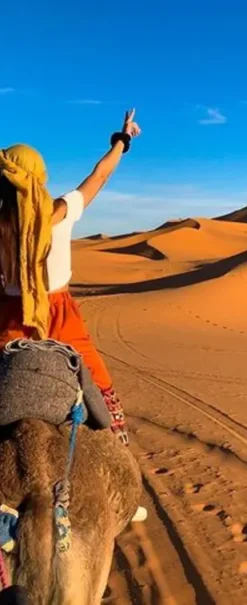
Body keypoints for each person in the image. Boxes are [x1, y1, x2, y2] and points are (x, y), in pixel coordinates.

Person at [0, 110, 142, 446]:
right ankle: (118, 443)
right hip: (60, 320)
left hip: (7, 318)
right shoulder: (61, 213)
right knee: (102, 389)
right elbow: (100, 176)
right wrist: (123, 140)